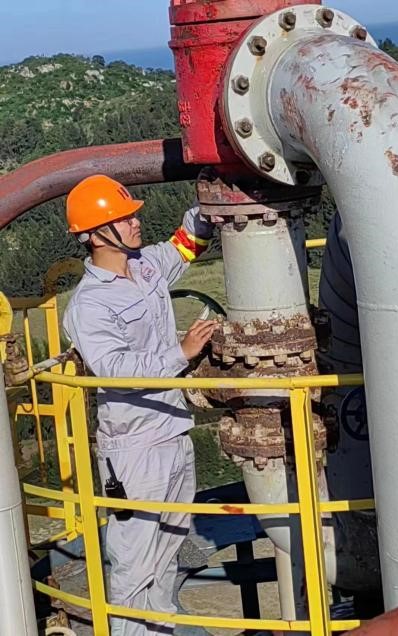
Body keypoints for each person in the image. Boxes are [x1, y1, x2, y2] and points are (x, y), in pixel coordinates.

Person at [62, 174, 217, 635]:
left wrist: (213, 202)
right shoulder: (89, 304)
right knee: (134, 565)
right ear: (95, 236)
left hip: (173, 432)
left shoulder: (147, 265)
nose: (136, 223)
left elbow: (185, 245)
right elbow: (113, 369)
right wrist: (181, 353)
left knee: (167, 557)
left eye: (132, 215)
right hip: (134, 450)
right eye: (124, 218)